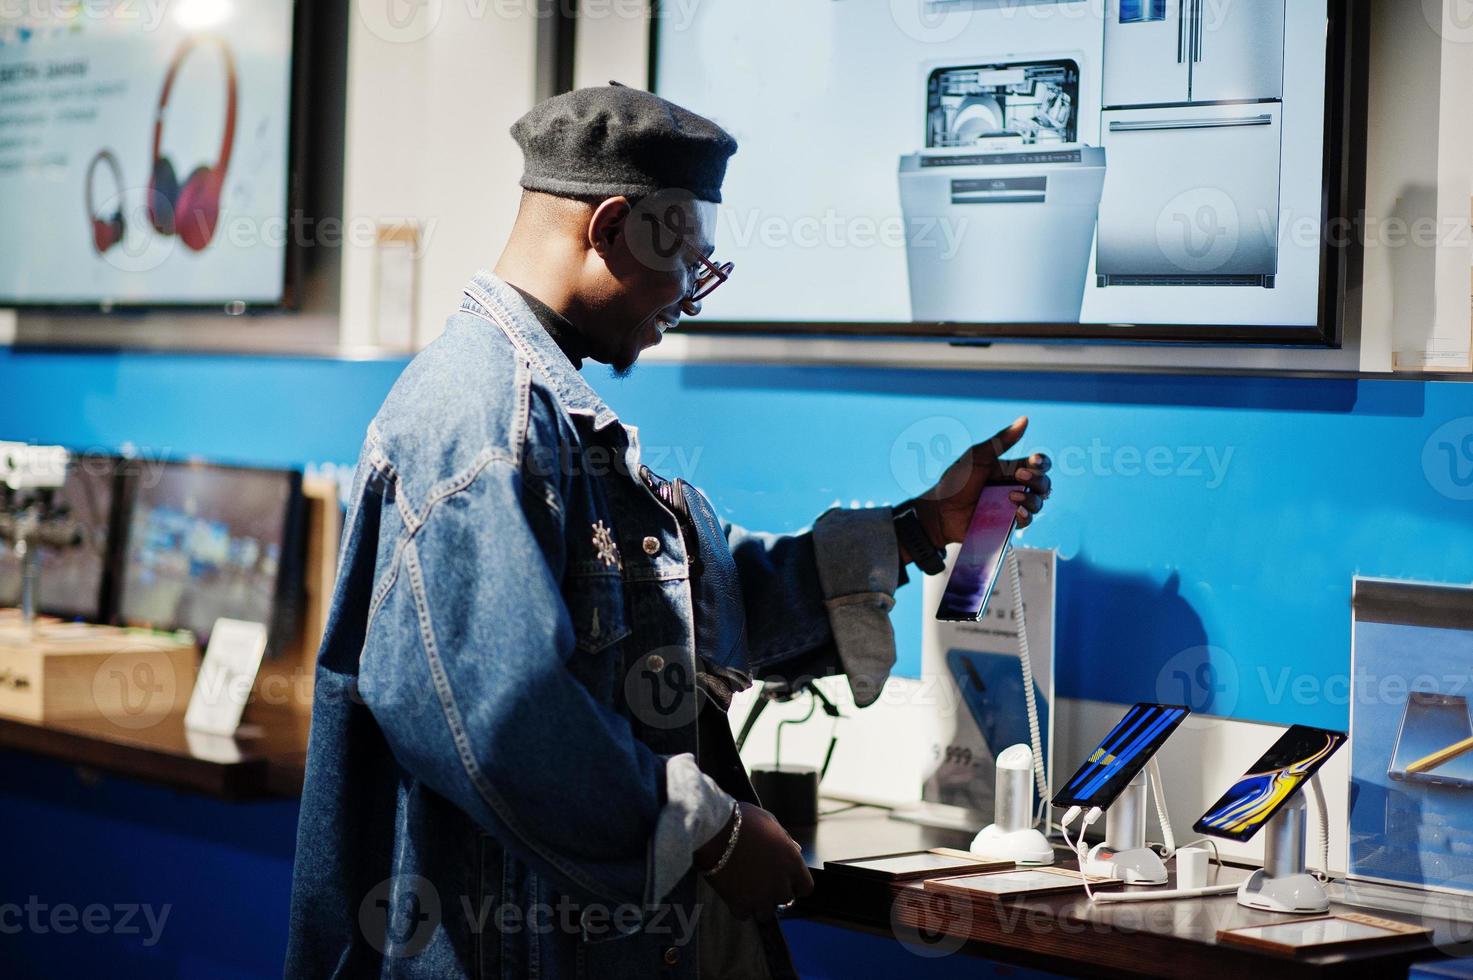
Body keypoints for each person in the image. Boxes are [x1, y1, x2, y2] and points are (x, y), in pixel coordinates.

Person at [286, 83, 1052, 979]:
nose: (690, 296)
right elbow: (498, 720)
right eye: (689, 259)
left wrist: (920, 526)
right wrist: (712, 834)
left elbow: (689, 605)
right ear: (611, 227)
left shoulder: (550, 419)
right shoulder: (480, 428)